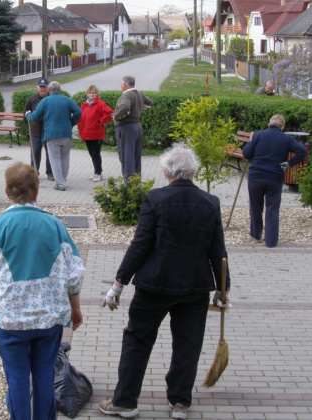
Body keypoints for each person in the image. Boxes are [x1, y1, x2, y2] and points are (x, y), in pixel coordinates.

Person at [98, 144, 230, 420]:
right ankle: (180, 403)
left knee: (137, 340)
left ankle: (124, 402)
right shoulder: (210, 202)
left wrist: (118, 284)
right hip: (195, 288)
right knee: (188, 344)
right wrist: (222, 288)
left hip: (154, 286)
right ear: (193, 172)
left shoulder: (155, 199)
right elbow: (218, 251)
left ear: (166, 172)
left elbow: (140, 245)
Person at [0, 161, 84, 420]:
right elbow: (74, 273)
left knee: (17, 378)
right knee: (43, 376)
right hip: (49, 318)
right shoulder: (55, 226)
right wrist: (75, 309)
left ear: (7, 193)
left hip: (10, 320)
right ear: (37, 192)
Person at [241, 114, 308, 248]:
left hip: (256, 176)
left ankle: (256, 234)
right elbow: (302, 151)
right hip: (275, 177)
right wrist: (289, 164)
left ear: (268, 124)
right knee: (272, 209)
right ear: (282, 127)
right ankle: (271, 241)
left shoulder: (259, 135)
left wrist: (251, 140)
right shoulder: (287, 139)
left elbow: (246, 154)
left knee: (255, 206)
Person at [25, 81, 82, 191]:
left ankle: (60, 184)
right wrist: (71, 122)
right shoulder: (67, 100)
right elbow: (78, 112)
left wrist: (28, 115)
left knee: (55, 159)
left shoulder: (45, 100)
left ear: (49, 90)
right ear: (59, 90)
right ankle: (63, 180)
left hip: (52, 135)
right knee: (65, 158)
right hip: (66, 134)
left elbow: (35, 116)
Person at [113, 75, 153, 180]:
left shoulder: (127, 95)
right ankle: (136, 181)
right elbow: (150, 103)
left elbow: (125, 106)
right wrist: (138, 108)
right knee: (135, 157)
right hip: (136, 126)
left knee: (127, 157)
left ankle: (130, 186)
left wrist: (117, 116)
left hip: (126, 128)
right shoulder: (138, 94)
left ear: (124, 84)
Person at [78, 84, 113, 182]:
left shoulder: (100, 104)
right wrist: (81, 130)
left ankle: (98, 173)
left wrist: (101, 121)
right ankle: (96, 171)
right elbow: (81, 119)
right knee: (91, 153)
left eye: (93, 92)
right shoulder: (84, 105)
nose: (91, 94)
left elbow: (110, 112)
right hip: (87, 134)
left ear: (97, 93)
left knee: (96, 153)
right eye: (89, 93)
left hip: (96, 134)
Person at [24, 78, 53, 180]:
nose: (43, 89)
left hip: (49, 131)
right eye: (41, 87)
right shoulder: (32, 99)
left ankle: (50, 173)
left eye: (45, 87)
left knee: (50, 153)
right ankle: (34, 172)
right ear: (37, 88)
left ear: (48, 88)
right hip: (36, 131)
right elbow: (26, 112)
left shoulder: (52, 98)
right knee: (35, 153)